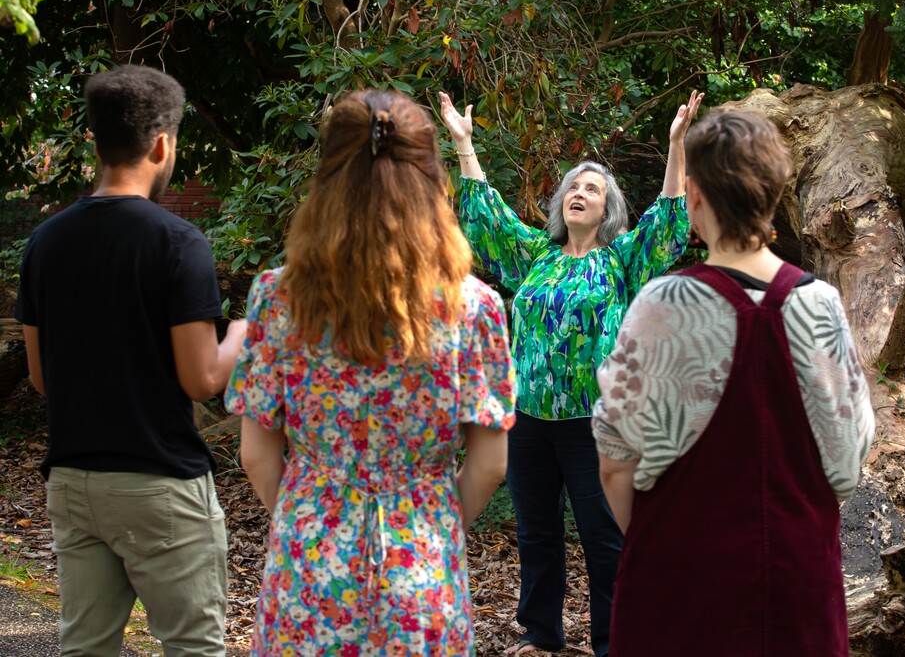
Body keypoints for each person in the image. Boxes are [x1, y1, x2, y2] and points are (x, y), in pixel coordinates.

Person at [226, 89, 514, 656]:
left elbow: (258, 456)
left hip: (307, 569)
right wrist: (430, 522)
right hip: (423, 571)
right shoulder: (473, 307)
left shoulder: (277, 298)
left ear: (329, 174)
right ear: (432, 177)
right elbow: (489, 466)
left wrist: (312, 514)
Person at [592, 107, 875, 656]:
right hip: (797, 588)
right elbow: (848, 459)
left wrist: (658, 545)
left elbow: (614, 459)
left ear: (693, 194)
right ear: (774, 197)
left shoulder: (662, 304)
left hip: (679, 591)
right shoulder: (820, 305)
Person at [439, 89, 700, 656]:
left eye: (593, 190)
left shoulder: (623, 259)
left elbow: (668, 224)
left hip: (595, 425)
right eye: (573, 188)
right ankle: (541, 634)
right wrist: (464, 143)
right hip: (529, 419)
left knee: (604, 539)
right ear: (561, 204)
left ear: (608, 211)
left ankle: (613, 641)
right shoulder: (535, 254)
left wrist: (677, 145)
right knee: (537, 534)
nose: (580, 194)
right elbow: (487, 217)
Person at [14, 65, 246, 656]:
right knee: (193, 646)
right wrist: (247, 329)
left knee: (85, 647)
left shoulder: (46, 242)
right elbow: (202, 380)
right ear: (164, 144)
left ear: (95, 141)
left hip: (72, 482)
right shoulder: (177, 242)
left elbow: (41, 378)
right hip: (159, 482)